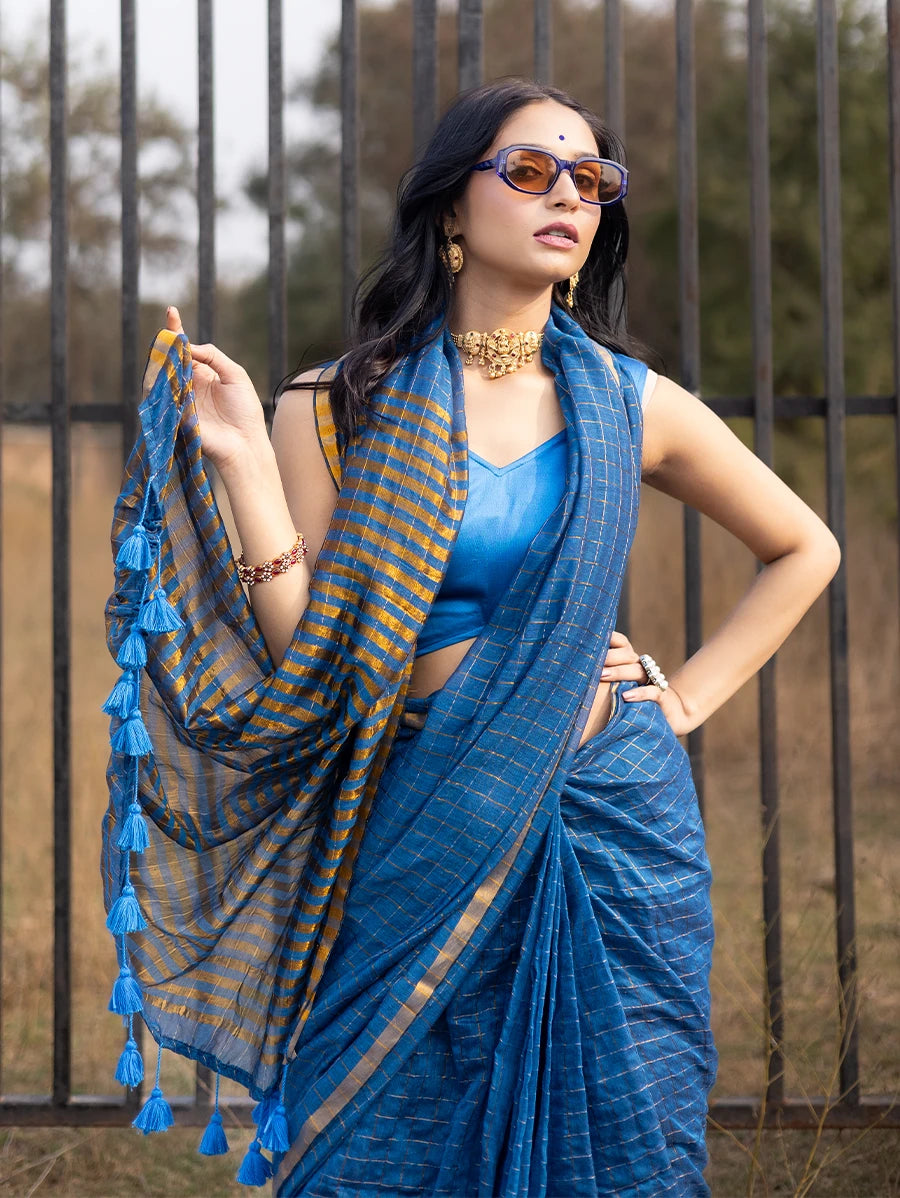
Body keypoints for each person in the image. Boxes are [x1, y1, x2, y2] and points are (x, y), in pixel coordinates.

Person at [101, 78, 840, 1197]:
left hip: (608, 818)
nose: (569, 197)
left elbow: (804, 548)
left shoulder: (627, 403)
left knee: (623, 1128)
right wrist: (249, 461)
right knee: (376, 1138)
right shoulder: (342, 403)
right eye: (531, 171)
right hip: (422, 807)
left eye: (591, 179)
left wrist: (680, 703)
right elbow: (311, 649)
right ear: (453, 210)